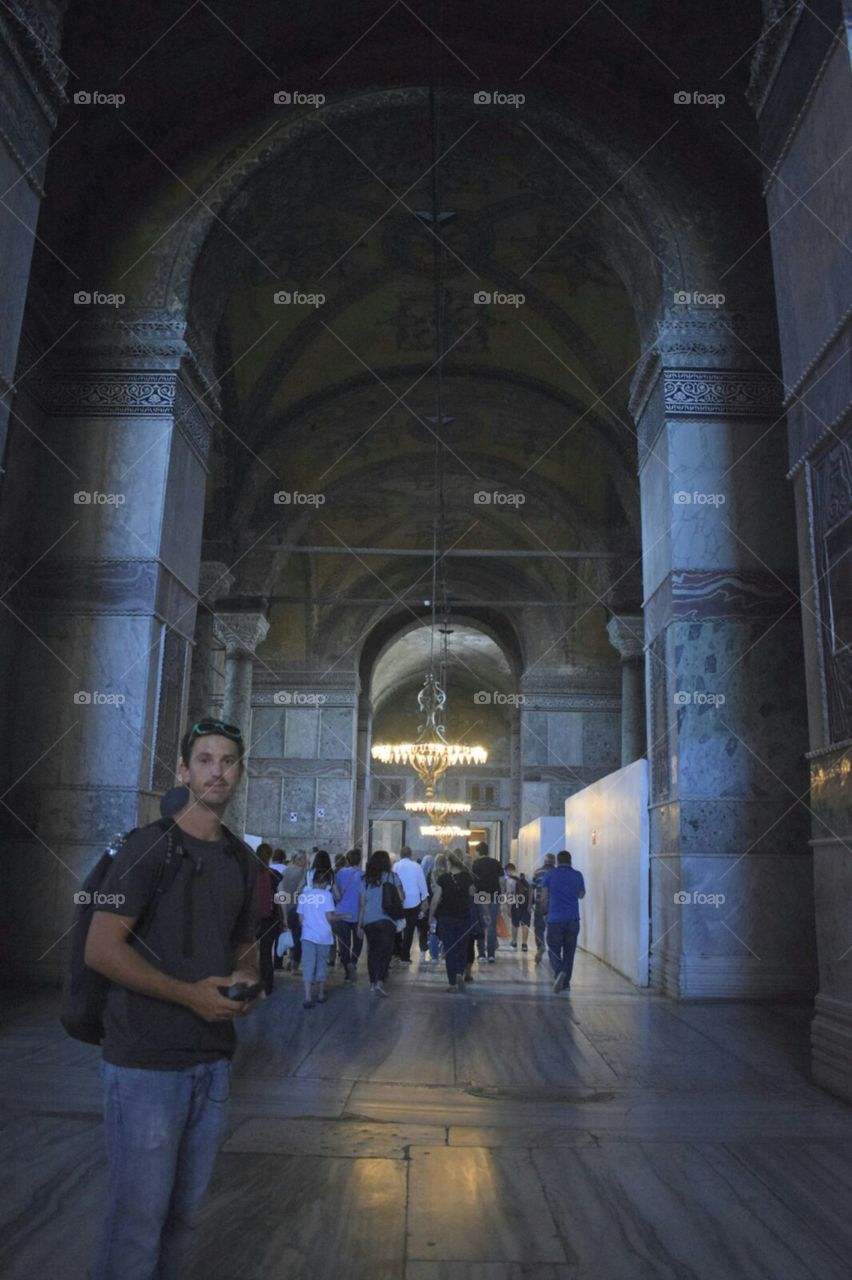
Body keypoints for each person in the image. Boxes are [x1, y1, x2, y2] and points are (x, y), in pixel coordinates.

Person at [84, 718, 260, 1280]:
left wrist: (246, 978)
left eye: (227, 761)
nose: (217, 770)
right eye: (205, 759)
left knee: (183, 1216)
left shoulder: (239, 859)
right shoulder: (146, 847)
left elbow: (244, 943)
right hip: (147, 1062)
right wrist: (189, 996)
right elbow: (100, 948)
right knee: (138, 1221)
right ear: (184, 771)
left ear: (239, 774)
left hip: (212, 1059)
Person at [357, 850, 403, 996]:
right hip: (387, 919)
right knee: (385, 952)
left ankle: (372, 983)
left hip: (369, 921)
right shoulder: (393, 877)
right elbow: (401, 897)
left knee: (372, 951)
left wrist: (360, 925)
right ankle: (379, 982)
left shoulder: (365, 880)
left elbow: (362, 905)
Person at [428, 848, 475, 992]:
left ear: (449, 862)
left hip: (446, 918)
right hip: (464, 917)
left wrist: (430, 916)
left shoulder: (443, 878)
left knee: (450, 950)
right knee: (462, 948)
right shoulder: (468, 877)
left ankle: (452, 984)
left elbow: (436, 900)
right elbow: (473, 893)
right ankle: (460, 974)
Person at [540, 849, 586, 993]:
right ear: (570, 861)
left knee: (553, 949)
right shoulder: (578, 875)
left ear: (558, 861)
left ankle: (559, 970)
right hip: (572, 919)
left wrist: (544, 912)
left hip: (555, 918)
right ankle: (565, 983)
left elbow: (543, 897)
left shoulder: (550, 875)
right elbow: (581, 894)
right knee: (569, 951)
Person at [297, 851, 339, 1008]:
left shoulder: (309, 873)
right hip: (325, 913)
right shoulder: (331, 876)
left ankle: (308, 995)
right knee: (322, 960)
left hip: (308, 916)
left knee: (308, 961)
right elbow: (336, 894)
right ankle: (321, 992)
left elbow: (299, 888)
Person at [393, 845, 429, 963]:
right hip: (413, 902)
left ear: (400, 854)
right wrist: (424, 898)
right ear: (410, 854)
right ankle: (405, 956)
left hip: (398, 901)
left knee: (397, 927)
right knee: (409, 929)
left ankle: (396, 951)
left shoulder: (395, 866)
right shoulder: (417, 866)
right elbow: (422, 884)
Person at [471, 840, 505, 963]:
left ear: (478, 851)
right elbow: (502, 881)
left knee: (481, 925)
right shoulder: (496, 863)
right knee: (491, 925)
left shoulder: (475, 864)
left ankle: (481, 954)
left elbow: (473, 884)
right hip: (495, 896)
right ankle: (491, 954)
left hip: (480, 897)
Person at [334, 848, 364, 980]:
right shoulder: (364, 875)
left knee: (343, 943)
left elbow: (337, 892)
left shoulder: (340, 873)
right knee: (358, 940)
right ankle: (353, 962)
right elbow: (364, 898)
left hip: (342, 912)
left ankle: (347, 969)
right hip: (357, 912)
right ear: (360, 859)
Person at [255, 842, 280, 994]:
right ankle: (267, 986)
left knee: (247, 952)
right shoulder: (273, 875)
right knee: (266, 953)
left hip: (251, 919)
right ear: (270, 856)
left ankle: (251, 983)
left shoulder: (249, 873)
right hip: (269, 919)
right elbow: (279, 899)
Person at [276, 851, 307, 972]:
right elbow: (301, 890)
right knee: (298, 936)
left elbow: (281, 890)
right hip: (297, 907)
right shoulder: (302, 872)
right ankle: (294, 964)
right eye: (304, 859)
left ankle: (289, 959)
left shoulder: (285, 871)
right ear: (298, 860)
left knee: (290, 934)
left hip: (285, 907)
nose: (305, 862)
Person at [531, 852, 556, 964]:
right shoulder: (557, 873)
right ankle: (553, 951)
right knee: (553, 928)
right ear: (554, 862)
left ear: (544, 861)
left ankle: (541, 945)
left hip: (540, 903)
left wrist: (529, 904)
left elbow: (532, 888)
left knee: (539, 927)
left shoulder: (537, 872)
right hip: (555, 905)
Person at [509, 866, 531, 951]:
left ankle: (514, 942)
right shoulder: (528, 879)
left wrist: (509, 907)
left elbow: (510, 894)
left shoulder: (511, 881)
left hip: (516, 905)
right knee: (525, 924)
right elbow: (531, 892)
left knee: (515, 924)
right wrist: (529, 904)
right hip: (526, 905)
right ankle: (524, 944)